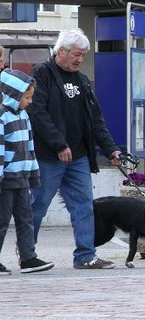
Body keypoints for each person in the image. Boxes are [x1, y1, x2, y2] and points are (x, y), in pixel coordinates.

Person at [28, 29, 122, 270]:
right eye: (78, 55)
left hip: (78, 156)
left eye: (84, 56)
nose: (80, 60)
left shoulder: (81, 80)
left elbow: (95, 118)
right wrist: (59, 144)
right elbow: (37, 113)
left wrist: (111, 149)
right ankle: (27, 253)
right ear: (62, 51)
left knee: (83, 206)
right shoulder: (42, 74)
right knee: (38, 205)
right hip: (49, 156)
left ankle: (85, 255)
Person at [0, 69, 54, 275]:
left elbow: (30, 148)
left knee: (26, 220)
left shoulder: (24, 116)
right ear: (14, 95)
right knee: (1, 221)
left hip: (22, 179)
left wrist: (33, 174)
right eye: (27, 97)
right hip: (6, 181)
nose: (30, 102)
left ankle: (28, 258)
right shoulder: (2, 116)